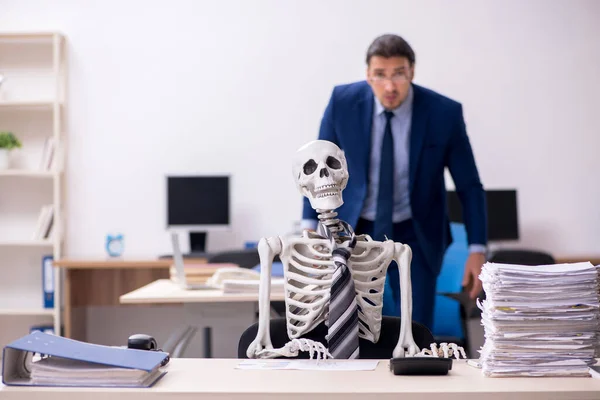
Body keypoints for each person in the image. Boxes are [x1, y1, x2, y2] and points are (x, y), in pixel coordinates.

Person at [301, 33, 487, 330]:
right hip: (355, 228)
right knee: (350, 325)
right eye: (380, 75)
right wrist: (308, 233)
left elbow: (470, 186)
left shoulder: (444, 113)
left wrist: (477, 249)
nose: (389, 86)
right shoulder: (343, 102)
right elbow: (316, 162)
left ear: (411, 72)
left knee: (416, 327)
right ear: (367, 75)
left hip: (417, 231)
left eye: (398, 74)